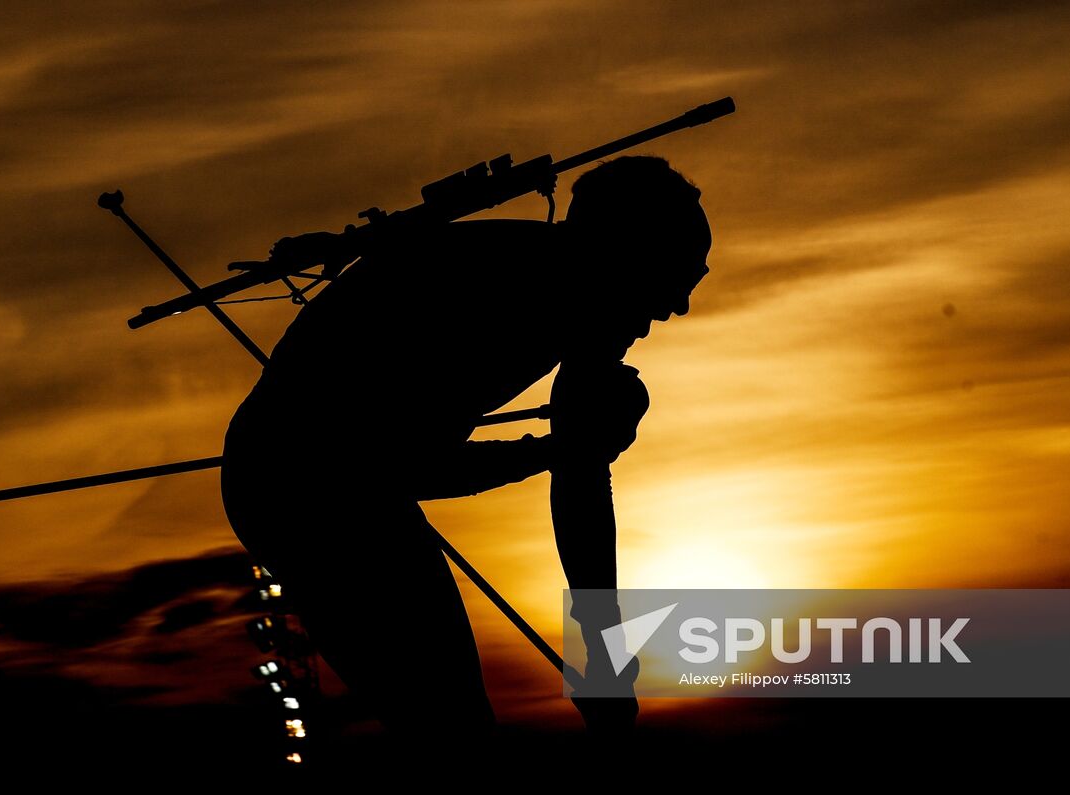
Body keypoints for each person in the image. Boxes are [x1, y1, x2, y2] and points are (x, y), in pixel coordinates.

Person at [219, 155, 711, 755]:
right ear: (624, 254)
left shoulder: (575, 295)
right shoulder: (498, 294)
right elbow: (406, 467)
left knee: (453, 729)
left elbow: (579, 479)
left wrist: (602, 660)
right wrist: (553, 451)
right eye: (677, 273)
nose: (678, 305)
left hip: (343, 485)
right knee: (451, 732)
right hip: (297, 488)